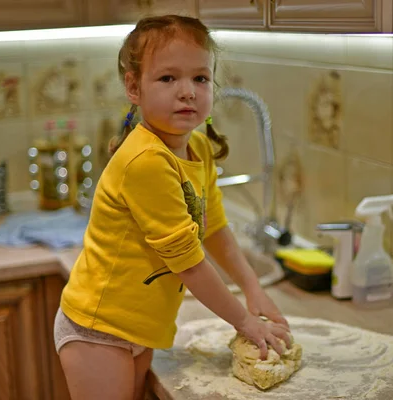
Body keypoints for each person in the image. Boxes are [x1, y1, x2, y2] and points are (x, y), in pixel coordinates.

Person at [53, 14, 291, 400]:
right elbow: (190, 263)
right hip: (98, 328)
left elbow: (213, 227)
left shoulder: (197, 150)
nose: (188, 92)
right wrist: (245, 322)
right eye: (168, 78)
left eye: (200, 78)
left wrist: (252, 288)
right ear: (134, 86)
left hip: (141, 326)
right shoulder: (146, 161)